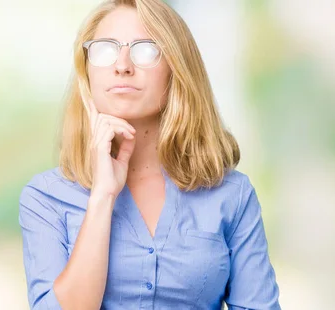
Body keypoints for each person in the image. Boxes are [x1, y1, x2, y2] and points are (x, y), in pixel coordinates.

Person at [18, 0, 280, 309]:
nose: (123, 65)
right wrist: (102, 195)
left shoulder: (232, 196)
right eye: (105, 49)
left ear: (177, 69)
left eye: (145, 49)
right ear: (87, 73)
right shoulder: (45, 198)